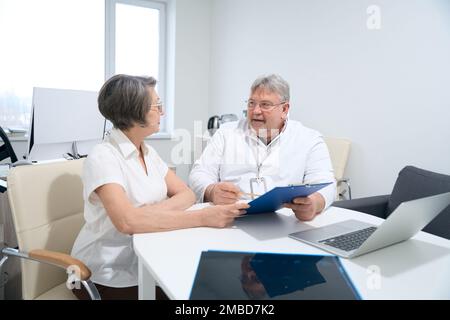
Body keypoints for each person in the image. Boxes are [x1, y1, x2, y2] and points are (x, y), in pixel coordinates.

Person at [71, 74, 248, 300]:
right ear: (136, 112)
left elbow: (187, 194)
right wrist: (204, 217)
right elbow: (127, 223)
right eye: (157, 105)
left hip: (145, 261)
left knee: (211, 287)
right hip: (102, 275)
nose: (162, 112)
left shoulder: (147, 152)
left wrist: (142, 215)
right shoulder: (103, 158)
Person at [189, 74, 336, 221]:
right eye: (252, 103)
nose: (255, 111)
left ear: (285, 109)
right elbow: (199, 173)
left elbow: (326, 184)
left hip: (285, 221)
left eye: (265, 105)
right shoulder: (226, 133)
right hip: (230, 218)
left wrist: (314, 203)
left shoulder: (309, 139)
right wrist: (211, 190)